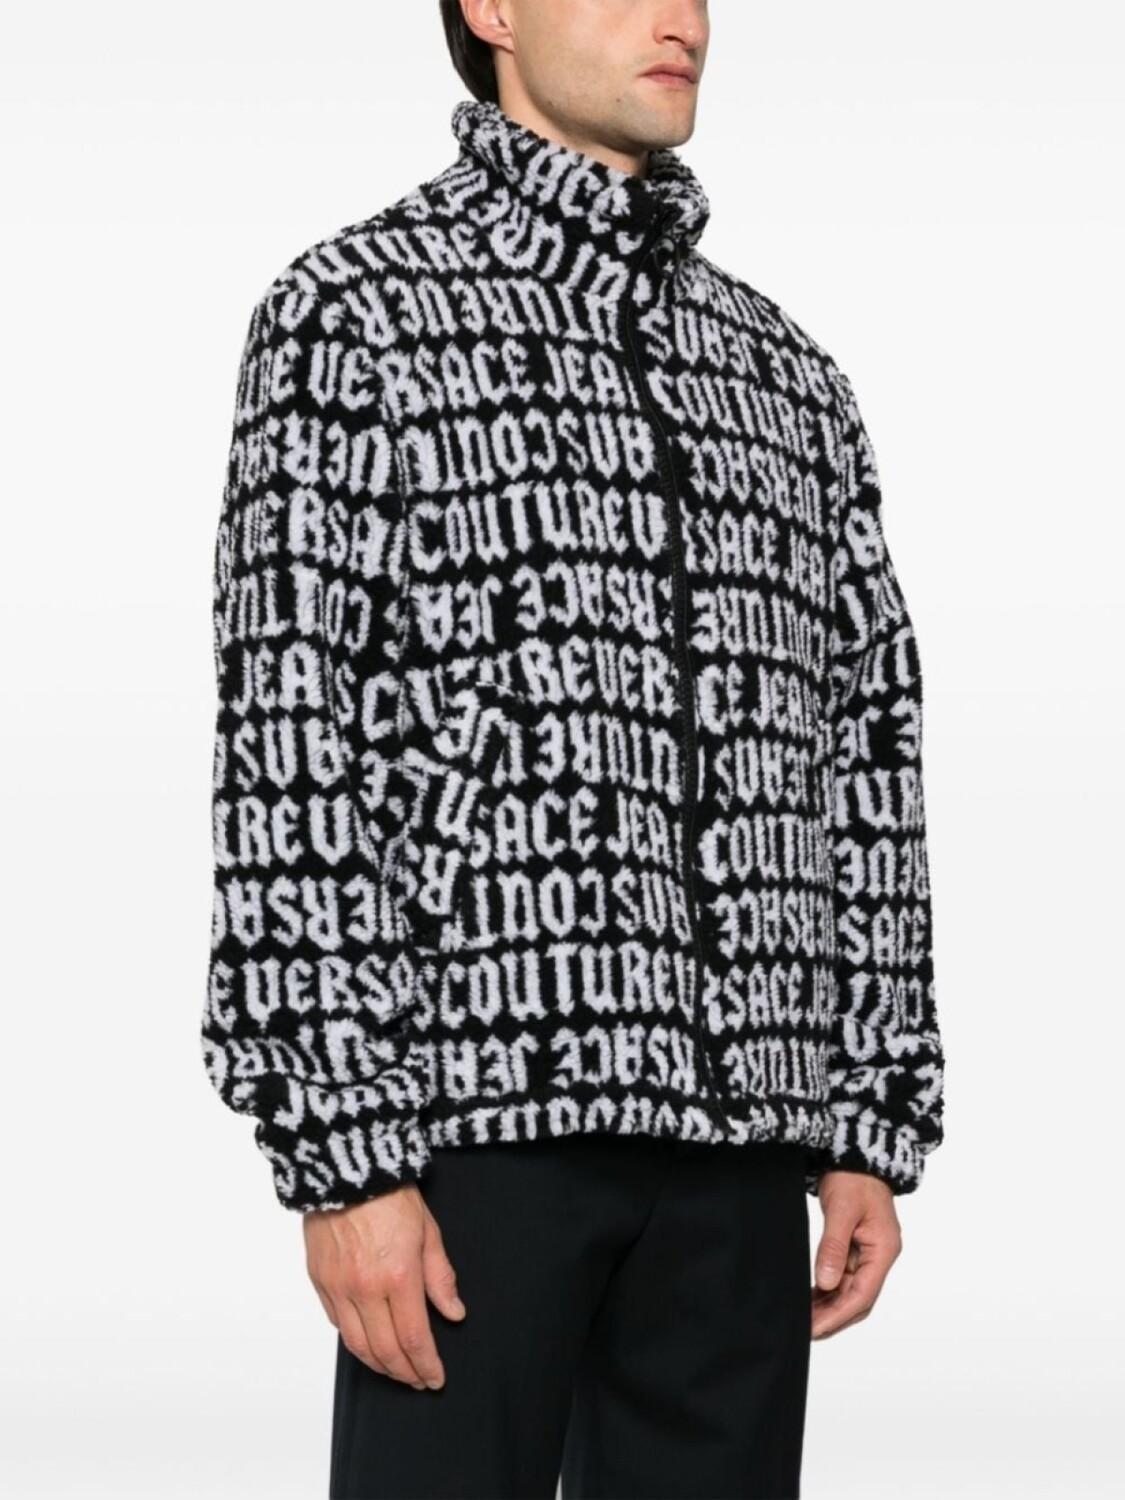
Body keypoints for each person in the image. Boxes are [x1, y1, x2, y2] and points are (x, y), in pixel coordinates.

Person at [201, 1, 946, 1495]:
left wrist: (868, 1116)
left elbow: (865, 741)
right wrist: (342, 1156)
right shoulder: (357, 314)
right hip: (472, 1131)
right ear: (491, 8)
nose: (680, 19)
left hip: (746, 1139)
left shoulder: (784, 373)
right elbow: (288, 740)